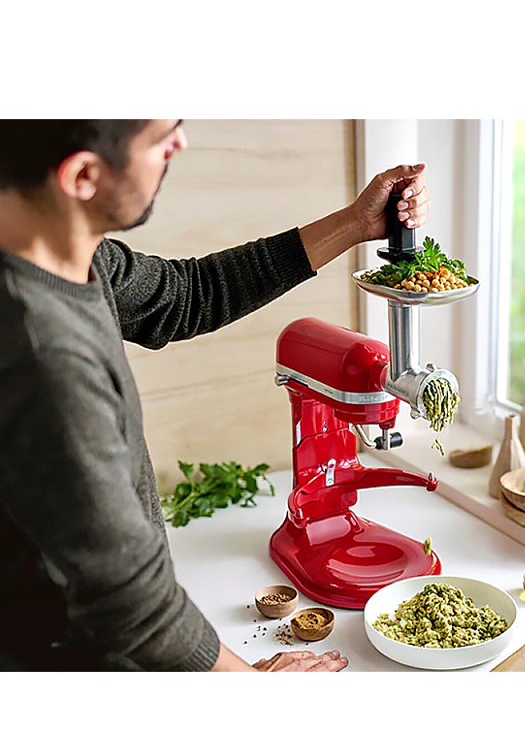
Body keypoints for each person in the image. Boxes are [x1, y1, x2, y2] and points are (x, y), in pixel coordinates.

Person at [0, 119, 430, 672]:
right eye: (160, 137)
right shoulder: (41, 351)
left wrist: (354, 223)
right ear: (82, 176)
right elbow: (129, 602)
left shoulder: (69, 255)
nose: (180, 144)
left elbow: (189, 295)